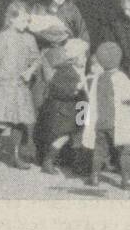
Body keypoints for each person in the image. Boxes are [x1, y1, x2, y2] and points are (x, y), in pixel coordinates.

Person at [0, 0, 40, 170]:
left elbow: (36, 59)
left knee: (19, 122)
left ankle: (15, 156)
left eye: (28, 21)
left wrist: (30, 71)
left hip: (20, 86)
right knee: (3, 121)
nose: (25, 24)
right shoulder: (2, 38)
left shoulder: (29, 38)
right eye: (22, 20)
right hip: (4, 85)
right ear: (11, 19)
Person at [81, 42, 130, 189]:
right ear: (119, 58)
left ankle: (94, 177)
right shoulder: (120, 77)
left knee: (99, 150)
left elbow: (92, 97)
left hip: (100, 122)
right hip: (118, 122)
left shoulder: (97, 78)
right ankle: (126, 181)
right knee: (125, 150)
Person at [28, 0, 88, 110]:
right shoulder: (39, 9)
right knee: (46, 91)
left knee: (77, 89)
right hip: (48, 55)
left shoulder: (72, 10)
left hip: (71, 53)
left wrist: (79, 47)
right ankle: (46, 123)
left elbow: (82, 32)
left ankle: (80, 124)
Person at [36, 38, 90, 176]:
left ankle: (76, 163)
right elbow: (58, 89)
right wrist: (76, 88)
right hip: (67, 109)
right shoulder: (65, 70)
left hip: (80, 106)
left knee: (79, 134)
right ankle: (48, 161)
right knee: (64, 136)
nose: (85, 58)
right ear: (75, 56)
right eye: (83, 55)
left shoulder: (78, 69)